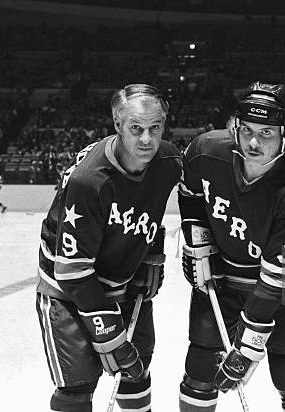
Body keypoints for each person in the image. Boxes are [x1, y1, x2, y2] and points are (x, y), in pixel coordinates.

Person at [178, 82, 285, 412]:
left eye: (266, 133)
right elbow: (190, 193)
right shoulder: (206, 151)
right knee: (201, 368)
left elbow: (276, 281)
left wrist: (248, 347)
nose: (253, 142)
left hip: (283, 286)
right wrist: (198, 245)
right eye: (245, 130)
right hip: (223, 275)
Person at [35, 84, 181, 412]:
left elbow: (198, 193)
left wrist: (152, 255)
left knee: (136, 373)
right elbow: (72, 270)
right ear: (117, 123)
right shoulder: (90, 181)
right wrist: (110, 333)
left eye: (155, 128)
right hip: (69, 292)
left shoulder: (169, 161)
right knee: (76, 389)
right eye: (136, 128)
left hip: (125, 285)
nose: (147, 140)